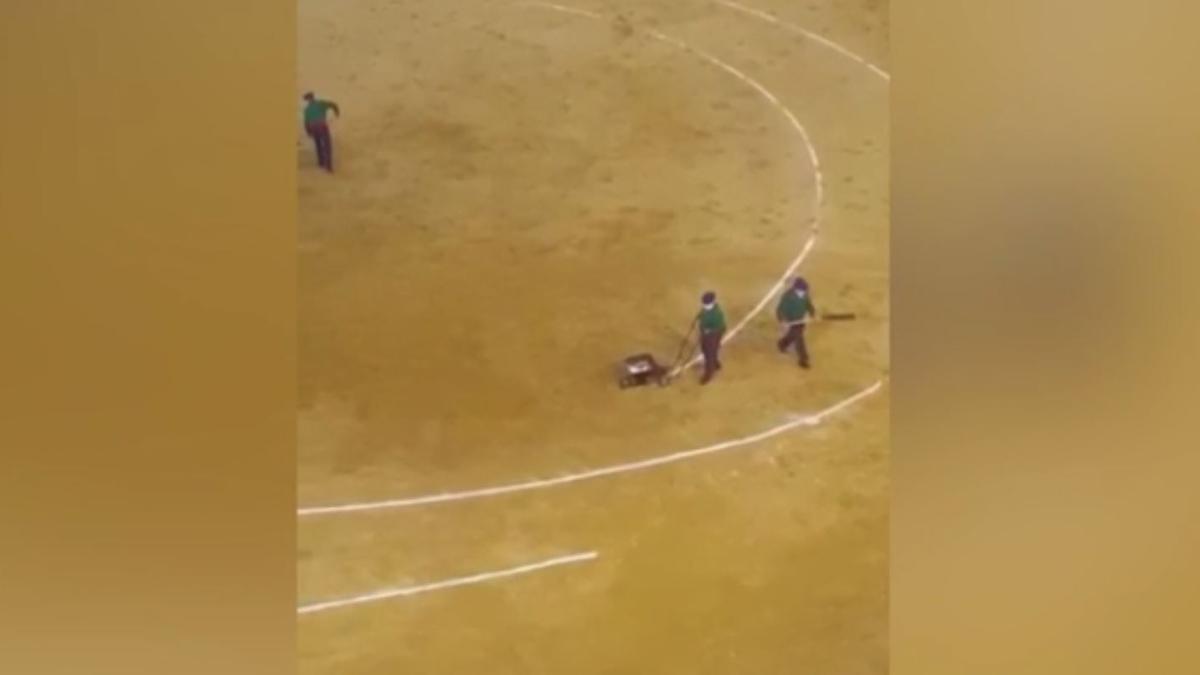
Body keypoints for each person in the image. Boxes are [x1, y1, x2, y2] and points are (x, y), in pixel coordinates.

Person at [776, 276, 817, 368]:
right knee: (799, 338)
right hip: (792, 320)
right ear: (796, 289)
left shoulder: (805, 295)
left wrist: (812, 314)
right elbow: (780, 310)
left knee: (793, 335)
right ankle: (804, 359)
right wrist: (782, 321)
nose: (804, 292)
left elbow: (809, 305)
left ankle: (782, 344)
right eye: (802, 290)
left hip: (801, 320)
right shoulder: (787, 296)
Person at [302, 92, 341, 172]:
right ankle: (328, 166)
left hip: (313, 127)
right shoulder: (321, 103)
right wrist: (337, 112)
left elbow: (306, 123)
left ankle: (321, 162)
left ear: (307, 100)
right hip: (322, 126)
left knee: (318, 144)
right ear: (313, 97)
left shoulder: (307, 109)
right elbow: (333, 104)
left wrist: (309, 132)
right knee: (327, 145)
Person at [697, 291, 726, 385]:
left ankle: (708, 374)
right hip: (707, 334)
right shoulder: (709, 310)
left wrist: (708, 331)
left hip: (713, 335)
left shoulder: (717, 314)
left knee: (709, 352)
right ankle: (716, 363)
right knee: (707, 349)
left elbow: (719, 327)